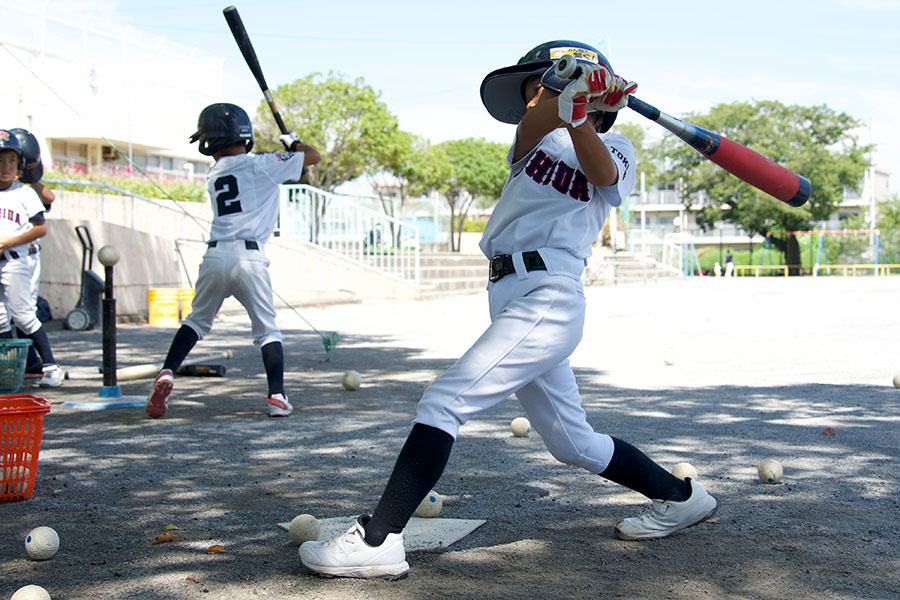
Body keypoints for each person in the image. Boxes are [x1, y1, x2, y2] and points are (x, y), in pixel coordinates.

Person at [298, 41, 717, 580]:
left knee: (445, 401)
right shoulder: (533, 142)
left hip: (551, 295)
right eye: (537, 88)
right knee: (573, 442)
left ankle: (379, 540)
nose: (539, 95)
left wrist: (584, 114)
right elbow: (539, 121)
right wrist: (567, 94)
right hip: (511, 293)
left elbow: (603, 176)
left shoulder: (621, 146)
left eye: (549, 85)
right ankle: (682, 497)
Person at [145, 103, 321, 419]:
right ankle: (276, 396)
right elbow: (313, 157)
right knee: (267, 330)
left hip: (214, 255)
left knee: (196, 320)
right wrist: (292, 143)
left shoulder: (216, 173)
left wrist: (293, 161)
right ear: (245, 134)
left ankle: (168, 370)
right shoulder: (262, 165)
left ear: (210, 142)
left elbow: (300, 174)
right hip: (250, 258)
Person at [0, 129, 64, 387]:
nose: (6, 166)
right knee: (0, 319)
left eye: (11, 161)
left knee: (24, 315)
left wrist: (6, 243)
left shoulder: (24, 193)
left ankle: (51, 367)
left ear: (20, 165)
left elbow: (40, 228)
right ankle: (8, 370)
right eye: (0, 161)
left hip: (15, 260)